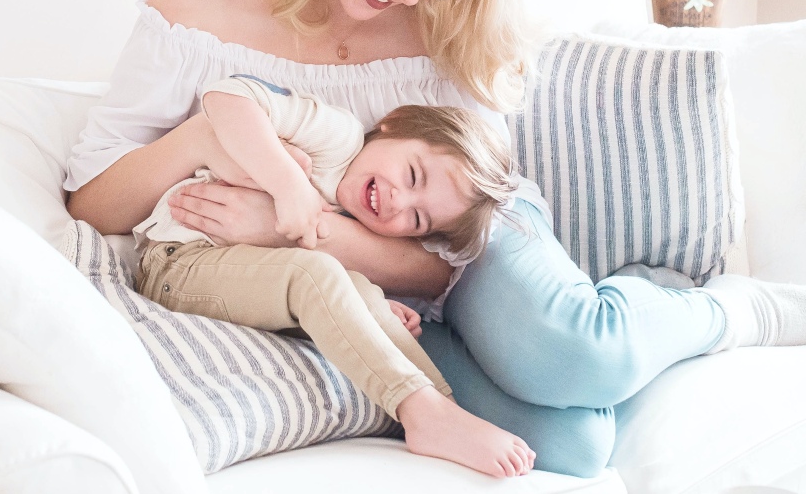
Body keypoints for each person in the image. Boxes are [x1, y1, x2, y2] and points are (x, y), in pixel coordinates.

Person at [64, 0, 806, 477]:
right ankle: (633, 320)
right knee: (571, 445)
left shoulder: (442, 27)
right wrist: (206, 144)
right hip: (360, 283)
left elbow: (441, 260)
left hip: (466, 223)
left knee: (579, 354)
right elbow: (90, 204)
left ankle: (733, 311)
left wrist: (299, 230)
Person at [132, 75, 531, 477]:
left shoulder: (357, 220)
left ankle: (439, 409)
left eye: (416, 218)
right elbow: (225, 96)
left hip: (236, 282)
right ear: (395, 123)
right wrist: (288, 185)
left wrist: (367, 307)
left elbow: (291, 279)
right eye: (413, 175)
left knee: (358, 289)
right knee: (317, 272)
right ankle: (420, 410)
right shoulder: (337, 139)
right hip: (178, 262)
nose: (398, 201)